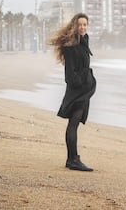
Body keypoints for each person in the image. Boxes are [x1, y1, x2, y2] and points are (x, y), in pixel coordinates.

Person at [49, 13, 97, 172]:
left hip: (83, 90)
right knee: (73, 124)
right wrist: (83, 82)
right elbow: (70, 74)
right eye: (80, 24)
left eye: (85, 24)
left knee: (74, 124)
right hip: (77, 91)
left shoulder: (84, 40)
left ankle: (72, 159)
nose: (82, 27)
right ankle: (73, 159)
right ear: (74, 26)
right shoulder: (71, 45)